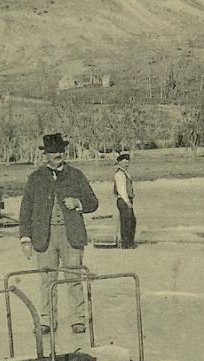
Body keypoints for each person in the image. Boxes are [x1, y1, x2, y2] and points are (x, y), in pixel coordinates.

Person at [18, 133, 98, 334]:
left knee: (73, 278)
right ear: (46, 155)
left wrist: (78, 203)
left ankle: (78, 319)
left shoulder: (76, 175)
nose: (57, 154)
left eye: (61, 150)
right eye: (53, 151)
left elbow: (93, 202)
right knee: (47, 280)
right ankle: (46, 320)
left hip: (71, 235)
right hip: (44, 236)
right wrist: (25, 237)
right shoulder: (36, 178)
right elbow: (26, 209)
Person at [113, 153, 137, 248]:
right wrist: (127, 202)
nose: (126, 164)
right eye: (124, 162)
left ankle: (128, 242)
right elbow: (121, 189)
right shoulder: (120, 174)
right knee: (127, 222)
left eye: (127, 162)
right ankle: (127, 244)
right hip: (123, 200)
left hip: (126, 200)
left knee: (130, 221)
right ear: (119, 163)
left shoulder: (125, 173)